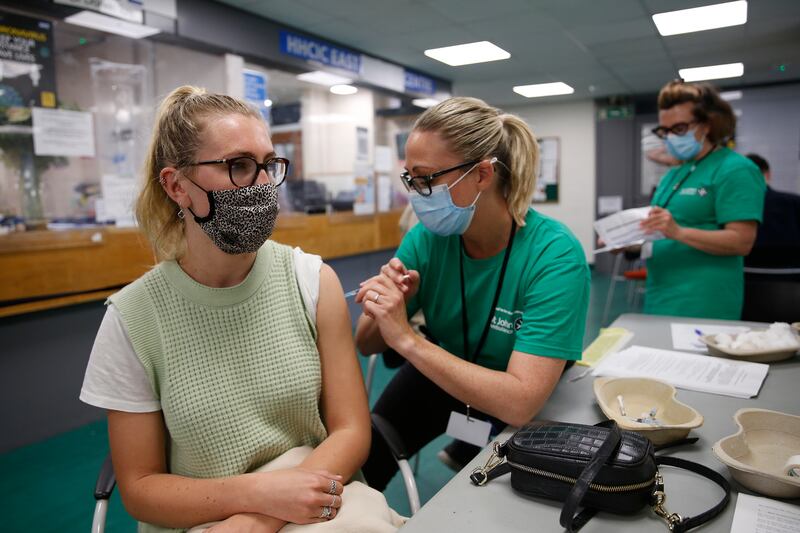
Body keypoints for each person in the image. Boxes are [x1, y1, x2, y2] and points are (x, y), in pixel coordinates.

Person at [80, 86, 372, 533]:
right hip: (204, 519)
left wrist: (260, 519)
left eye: (268, 165)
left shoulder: (312, 282)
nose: (260, 185)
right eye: (238, 166)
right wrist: (255, 497)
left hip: (315, 502)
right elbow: (139, 487)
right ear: (177, 186)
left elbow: (351, 430)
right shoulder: (132, 318)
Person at [354, 97, 590, 489]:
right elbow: (365, 344)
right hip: (447, 368)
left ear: (482, 175)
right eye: (410, 179)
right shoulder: (426, 238)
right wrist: (388, 305)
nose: (417, 194)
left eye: (427, 178)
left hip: (517, 391)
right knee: (368, 458)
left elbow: (520, 401)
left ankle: (468, 447)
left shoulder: (555, 255)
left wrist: (407, 340)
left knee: (499, 499)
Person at [640, 80, 765, 319]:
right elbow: (662, 230)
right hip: (660, 297)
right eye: (664, 131)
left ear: (707, 124)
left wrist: (679, 232)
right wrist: (628, 241)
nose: (670, 138)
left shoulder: (735, 169)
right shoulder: (676, 173)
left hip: (704, 302)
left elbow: (741, 242)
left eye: (679, 129)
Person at [744, 153, 800, 268]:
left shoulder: (730, 207)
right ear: (768, 175)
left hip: (747, 274)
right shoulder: (795, 202)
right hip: (791, 276)